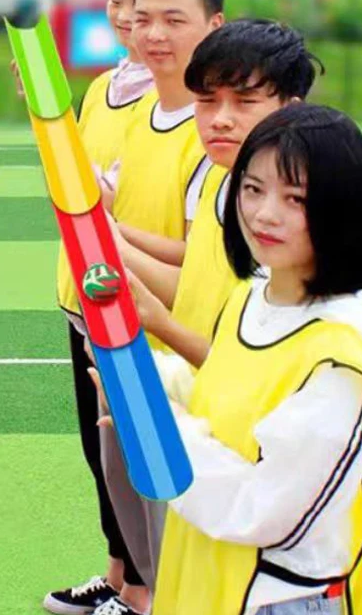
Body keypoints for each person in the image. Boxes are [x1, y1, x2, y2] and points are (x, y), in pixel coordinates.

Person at [99, 103, 362, 615]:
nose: (264, 213)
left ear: (344, 207)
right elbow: (223, 400)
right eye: (252, 188)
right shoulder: (255, 294)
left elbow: (263, 510)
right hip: (223, 589)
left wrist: (158, 423)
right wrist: (147, 382)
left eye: (296, 198)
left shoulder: (346, 352)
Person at [67, 0, 224, 615]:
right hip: (119, 322)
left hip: (175, 341)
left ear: (213, 25)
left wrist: (110, 242)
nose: (151, 31)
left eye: (172, 19)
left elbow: (204, 259)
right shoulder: (135, 105)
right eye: (141, 15)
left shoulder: (212, 130)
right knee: (124, 479)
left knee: (179, 504)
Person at [42, 0, 167, 615]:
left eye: (142, 5)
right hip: (79, 290)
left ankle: (142, 594)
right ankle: (119, 573)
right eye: (118, 1)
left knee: (130, 448)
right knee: (100, 449)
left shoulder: (172, 97)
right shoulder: (103, 87)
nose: (128, 17)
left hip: (126, 294)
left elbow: (109, 192)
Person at [124, 19, 322, 371]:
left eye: (245, 101)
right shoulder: (218, 174)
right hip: (193, 391)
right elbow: (196, 287)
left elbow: (254, 371)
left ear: (291, 109)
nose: (220, 119)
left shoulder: (287, 220)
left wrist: (163, 326)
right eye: (207, 100)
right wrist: (112, 242)